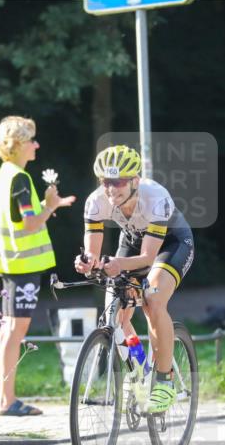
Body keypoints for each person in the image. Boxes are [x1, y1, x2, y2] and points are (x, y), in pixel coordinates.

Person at [74, 145, 195, 414]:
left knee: (152, 299)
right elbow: (93, 253)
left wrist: (116, 265)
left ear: (135, 181)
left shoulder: (156, 197)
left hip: (170, 244)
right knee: (113, 315)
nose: (111, 189)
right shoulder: (96, 201)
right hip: (131, 242)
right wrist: (87, 263)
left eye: (118, 182)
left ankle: (165, 382)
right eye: (106, 182)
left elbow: (149, 258)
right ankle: (139, 364)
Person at [0, 115, 75, 416]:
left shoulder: (6, 173)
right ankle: (7, 402)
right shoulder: (20, 178)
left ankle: (5, 399)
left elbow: (20, 218)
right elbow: (28, 224)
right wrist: (49, 206)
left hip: (11, 263)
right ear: (19, 145)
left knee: (7, 330)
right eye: (32, 140)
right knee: (14, 330)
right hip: (21, 266)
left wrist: (50, 205)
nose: (37, 145)